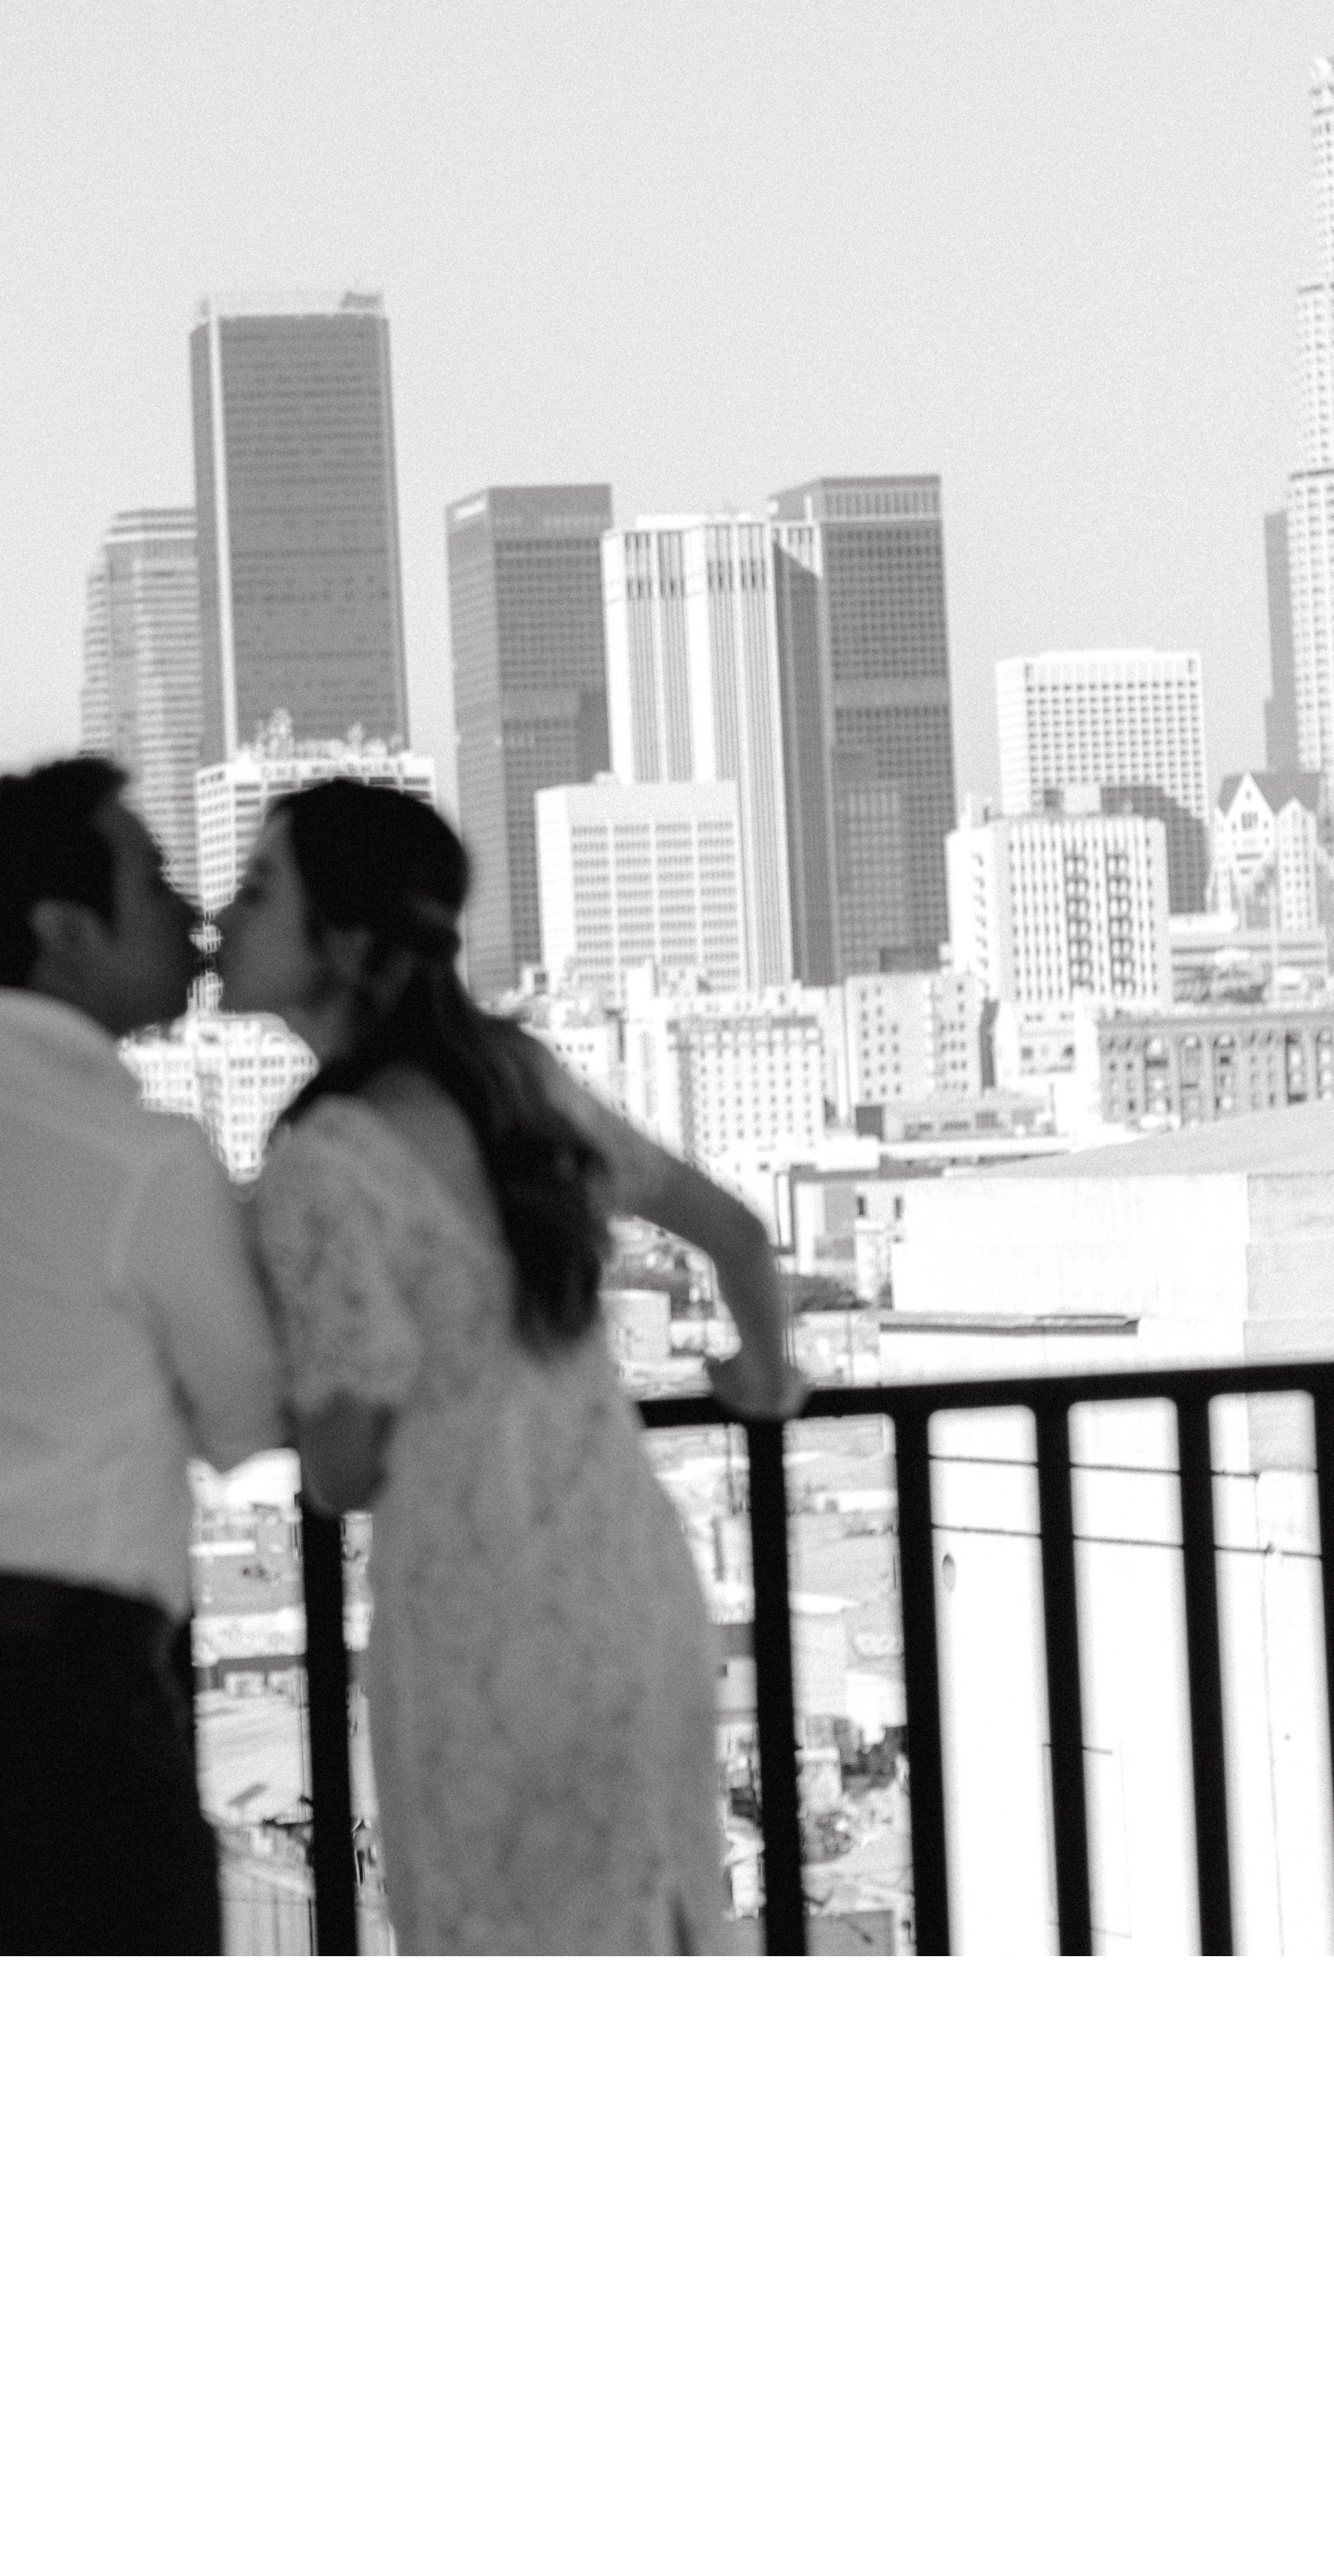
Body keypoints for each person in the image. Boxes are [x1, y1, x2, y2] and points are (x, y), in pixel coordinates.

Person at [218, 778, 803, 1953]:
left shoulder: (324, 1164)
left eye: (259, 887)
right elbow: (737, 1235)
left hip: (478, 1622)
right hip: (628, 1582)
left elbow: (343, 1470)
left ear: (348, 940)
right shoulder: (521, 1082)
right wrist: (764, 1377)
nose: (223, 916)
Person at [0, 756, 287, 1953]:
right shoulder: (142, 1156)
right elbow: (249, 1418)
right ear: (66, 930)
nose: (191, 915)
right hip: (69, 1699)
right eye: (154, 882)